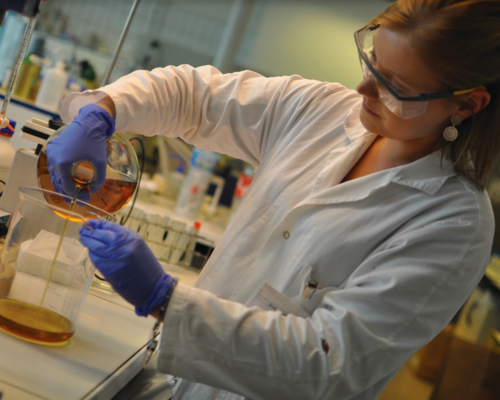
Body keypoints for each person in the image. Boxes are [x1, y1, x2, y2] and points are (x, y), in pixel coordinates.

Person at [47, 0, 500, 398]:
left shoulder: (454, 222)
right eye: (372, 62)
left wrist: (165, 298)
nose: (364, 89)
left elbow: (327, 363)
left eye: (394, 86)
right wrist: (103, 111)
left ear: (467, 104)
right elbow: (193, 96)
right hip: (168, 381)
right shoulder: (322, 110)